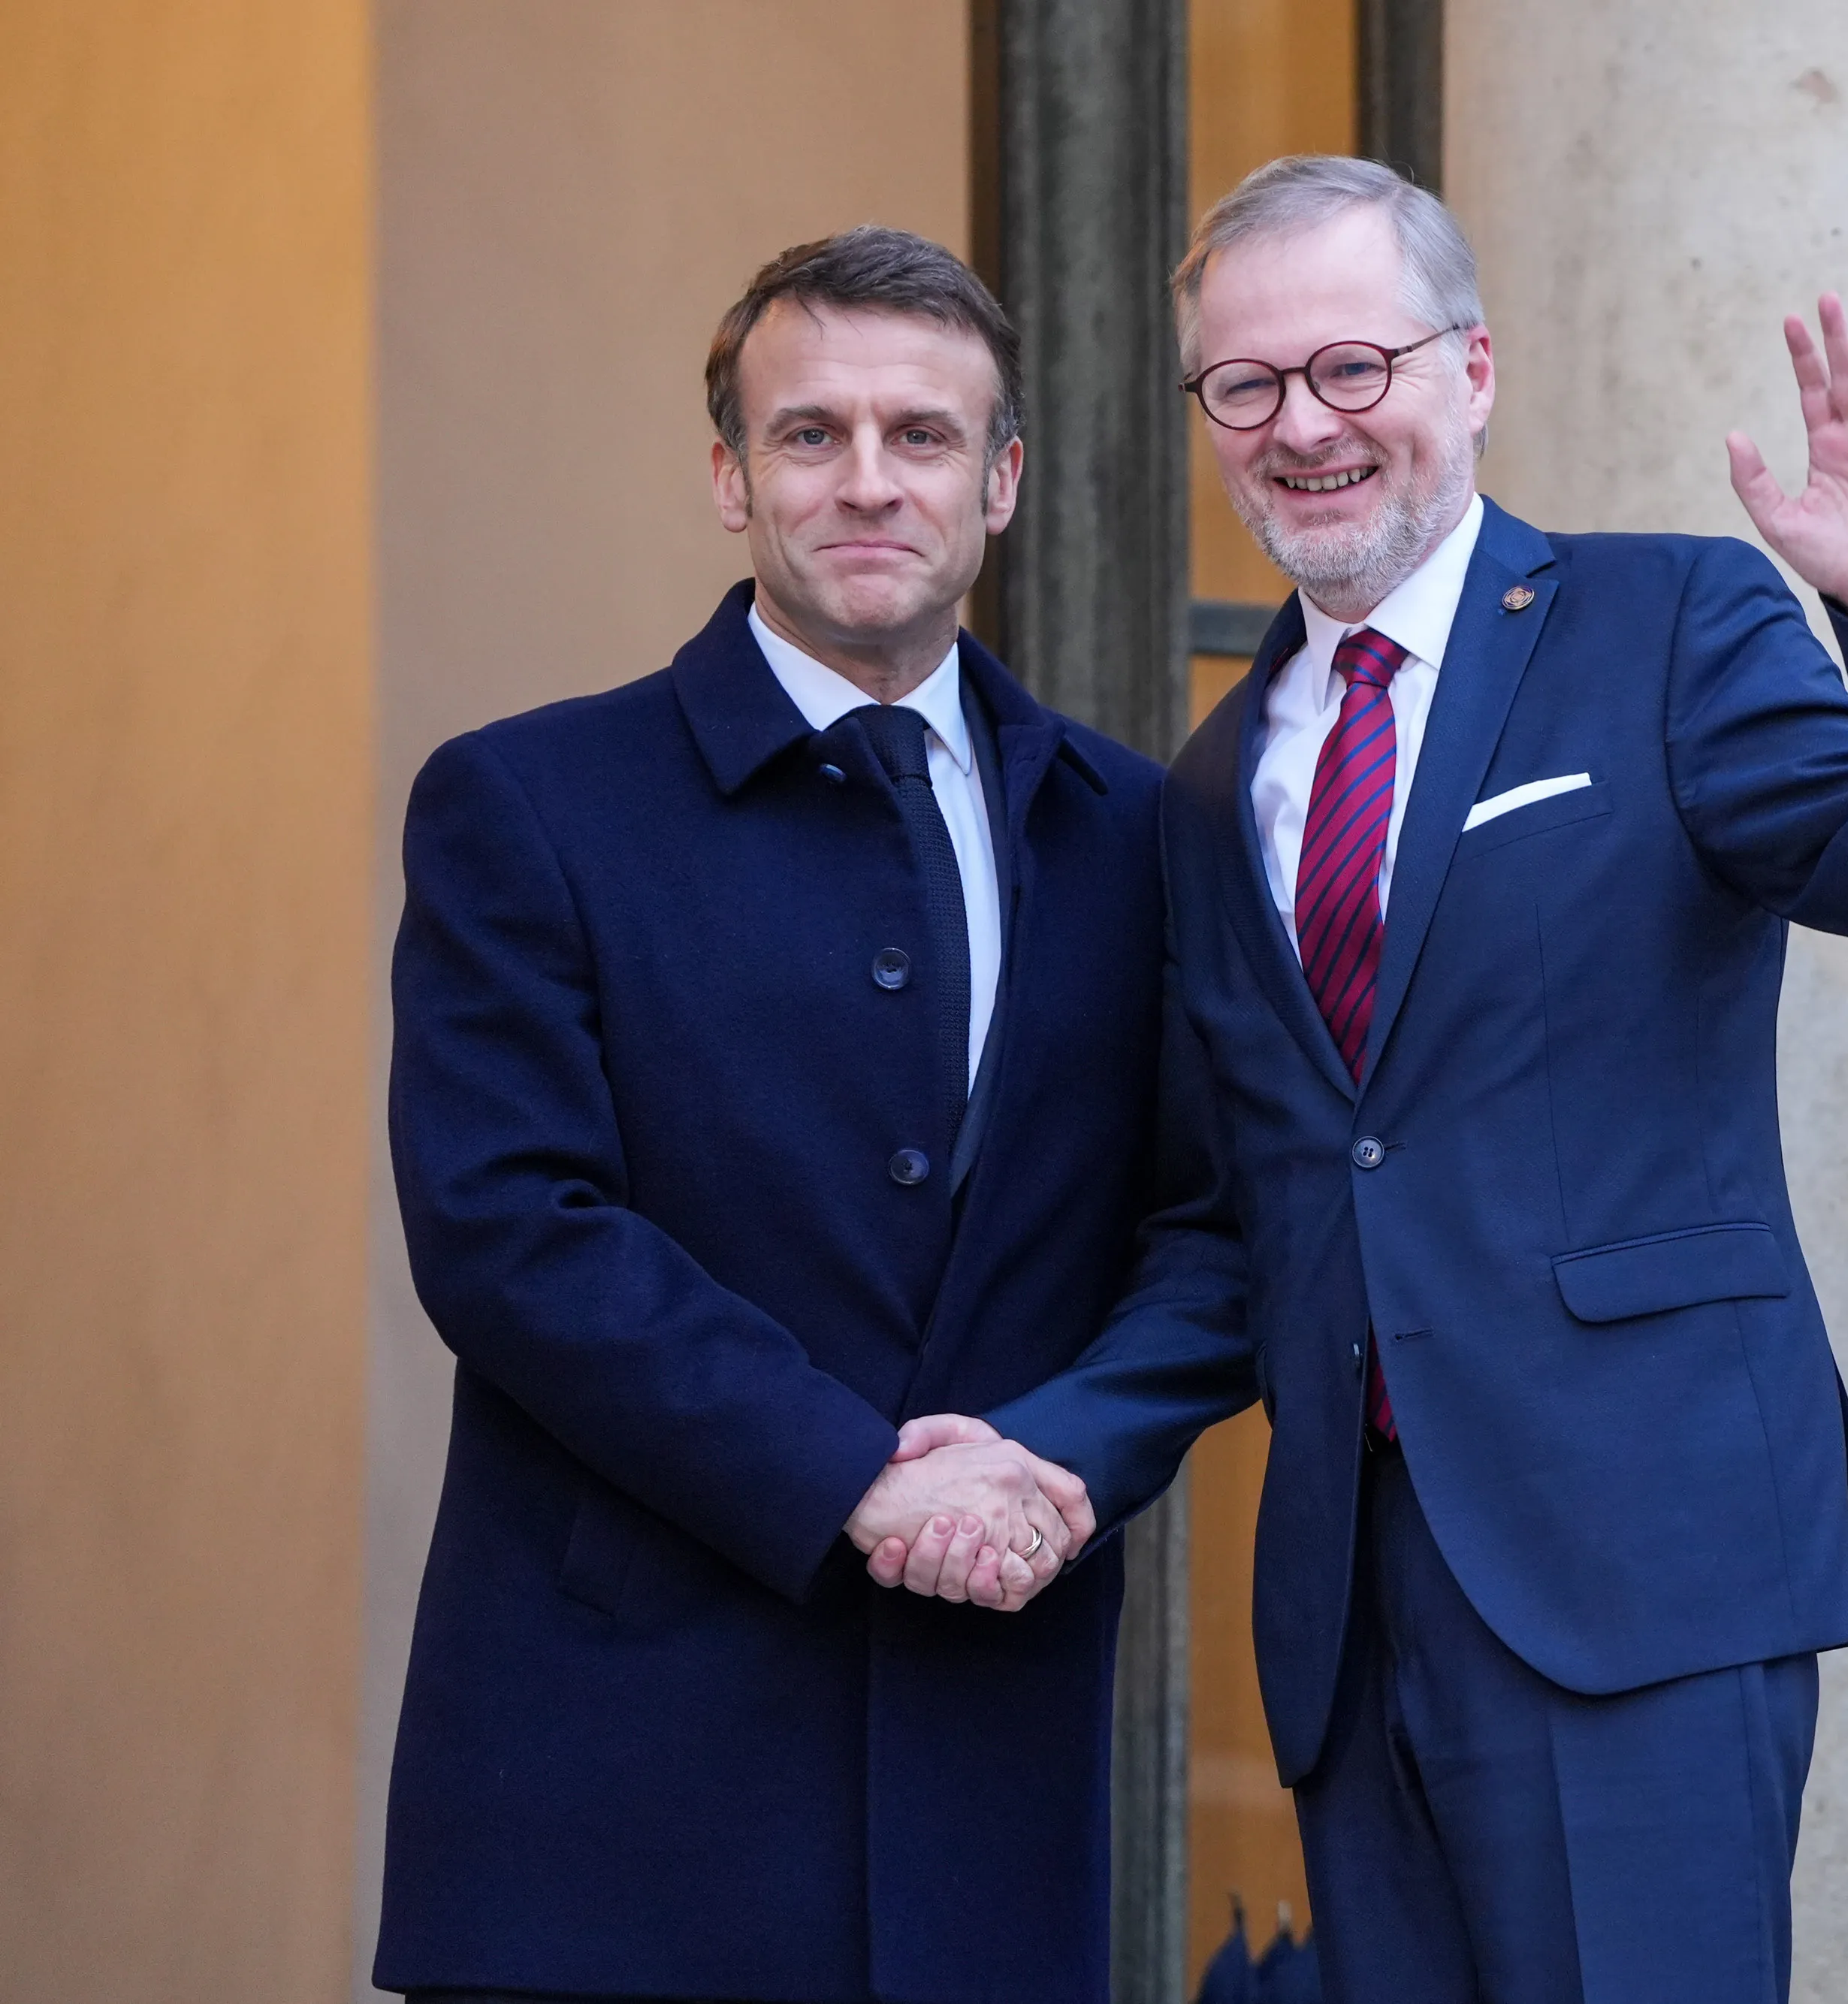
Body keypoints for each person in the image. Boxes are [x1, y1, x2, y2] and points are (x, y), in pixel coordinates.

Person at [874, 155, 1848, 2002]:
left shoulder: (1664, 629)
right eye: (1247, 387)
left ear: (1473, 370)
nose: (1304, 427)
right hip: (1359, 1616)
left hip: (1643, 1583)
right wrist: (1055, 1446)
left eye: (1353, 367)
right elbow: (1237, 1228)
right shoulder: (1209, 783)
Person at [376, 227, 1155, 2004]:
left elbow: (1198, 1235)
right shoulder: (527, 801)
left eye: (923, 434)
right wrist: (848, 1481)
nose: (867, 480)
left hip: (991, 1765)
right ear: (728, 475)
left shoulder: (1125, 827)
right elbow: (509, 1229)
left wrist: (1056, 1461)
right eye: (809, 434)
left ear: (1004, 478)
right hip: (608, 1788)